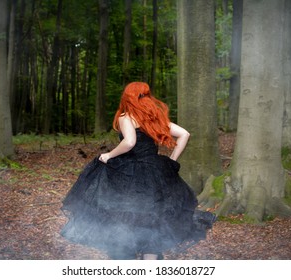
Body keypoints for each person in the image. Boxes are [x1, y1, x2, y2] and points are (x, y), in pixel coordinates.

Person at [61, 82, 216, 260]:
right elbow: (184, 134)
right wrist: (171, 160)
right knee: (153, 217)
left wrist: (109, 155)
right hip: (156, 171)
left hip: (131, 173)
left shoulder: (126, 117)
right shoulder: (154, 117)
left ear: (127, 97)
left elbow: (129, 142)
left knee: (126, 214)